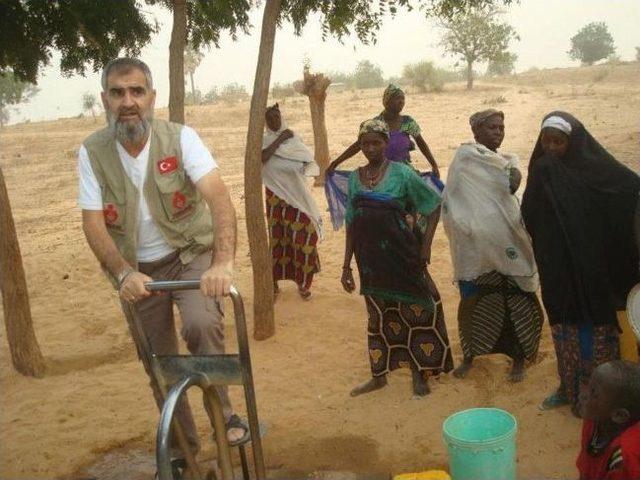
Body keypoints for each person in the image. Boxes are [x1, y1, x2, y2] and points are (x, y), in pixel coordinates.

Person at [77, 58, 247, 467]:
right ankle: (182, 444)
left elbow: (219, 199)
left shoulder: (181, 138)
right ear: (105, 100)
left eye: (137, 91)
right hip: (136, 268)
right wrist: (122, 272)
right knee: (157, 360)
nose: (128, 102)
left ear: (152, 97)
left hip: (189, 254)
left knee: (201, 323)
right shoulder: (92, 152)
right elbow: (93, 223)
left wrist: (221, 263)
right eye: (118, 93)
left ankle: (224, 415)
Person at [521, 111, 640, 415]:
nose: (550, 148)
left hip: (593, 269)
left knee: (596, 327)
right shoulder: (542, 170)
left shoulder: (595, 169)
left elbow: (628, 189)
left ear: (573, 143)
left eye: (558, 142)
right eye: (545, 141)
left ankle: (603, 397)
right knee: (564, 327)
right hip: (557, 269)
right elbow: (530, 214)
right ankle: (568, 387)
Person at [340, 119, 453, 398]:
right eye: (365, 143)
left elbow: (434, 205)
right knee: (378, 318)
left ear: (386, 144)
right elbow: (352, 223)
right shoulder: (355, 178)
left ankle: (420, 375)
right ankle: (378, 376)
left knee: (414, 312)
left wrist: (425, 247)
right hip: (370, 261)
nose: (370, 148)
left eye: (376, 142)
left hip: (402, 256)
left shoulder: (402, 174)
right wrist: (346, 265)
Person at [442, 109, 543, 383]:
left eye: (501, 128)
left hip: (507, 242)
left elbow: (510, 186)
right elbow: (451, 199)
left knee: (516, 297)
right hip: (475, 249)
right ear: (476, 131)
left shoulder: (505, 161)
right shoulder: (466, 157)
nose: (498, 132)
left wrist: (514, 171)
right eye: (492, 128)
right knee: (474, 301)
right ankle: (471, 357)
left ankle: (519, 358)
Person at [262, 103, 322, 299]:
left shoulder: (294, 138)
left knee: (305, 237)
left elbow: (308, 159)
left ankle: (304, 283)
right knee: (278, 240)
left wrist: (308, 170)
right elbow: (262, 158)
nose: (274, 121)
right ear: (265, 121)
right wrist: (280, 138)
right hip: (275, 198)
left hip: (296, 197)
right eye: (270, 118)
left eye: (277, 116)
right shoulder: (264, 141)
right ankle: (273, 284)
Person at [327, 84, 440, 176]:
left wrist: (434, 165)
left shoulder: (408, 122)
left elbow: (421, 143)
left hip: (405, 172)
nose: (401, 102)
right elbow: (357, 145)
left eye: (403, 99)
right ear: (387, 101)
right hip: (381, 171)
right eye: (397, 98)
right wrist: (335, 163)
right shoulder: (376, 124)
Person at [576, 361, 640, 480]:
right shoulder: (594, 421)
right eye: (588, 384)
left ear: (619, 415)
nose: (583, 394)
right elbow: (585, 466)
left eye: (593, 393)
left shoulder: (623, 459)